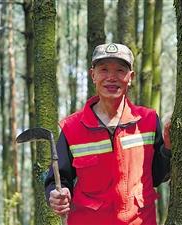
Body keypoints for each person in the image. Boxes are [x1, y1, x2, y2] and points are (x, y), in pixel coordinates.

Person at [45, 43, 172, 225]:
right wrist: (57, 194)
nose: (111, 78)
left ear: (131, 77)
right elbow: (58, 178)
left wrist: (168, 148)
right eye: (104, 70)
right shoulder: (72, 127)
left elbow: (157, 176)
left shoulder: (148, 120)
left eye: (120, 70)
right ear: (93, 75)